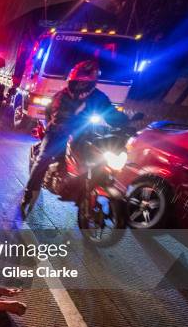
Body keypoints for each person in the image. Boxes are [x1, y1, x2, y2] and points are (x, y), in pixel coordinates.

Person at [20, 60, 129, 214]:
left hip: (83, 131)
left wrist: (126, 123)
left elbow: (110, 113)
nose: (80, 87)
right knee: (44, 157)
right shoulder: (62, 96)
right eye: (77, 83)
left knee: (98, 153)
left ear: (91, 83)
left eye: (84, 83)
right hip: (58, 131)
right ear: (72, 82)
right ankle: (28, 194)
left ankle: (83, 186)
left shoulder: (97, 96)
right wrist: (63, 126)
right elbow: (57, 116)